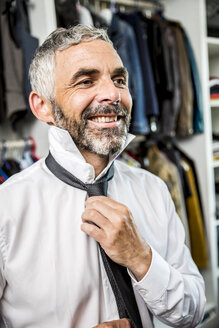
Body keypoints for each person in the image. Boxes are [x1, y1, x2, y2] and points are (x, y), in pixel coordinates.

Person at [0, 24, 205, 328]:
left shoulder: (153, 189)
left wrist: (141, 258)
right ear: (42, 106)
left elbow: (193, 311)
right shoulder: (7, 207)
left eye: (119, 79)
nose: (112, 94)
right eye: (85, 81)